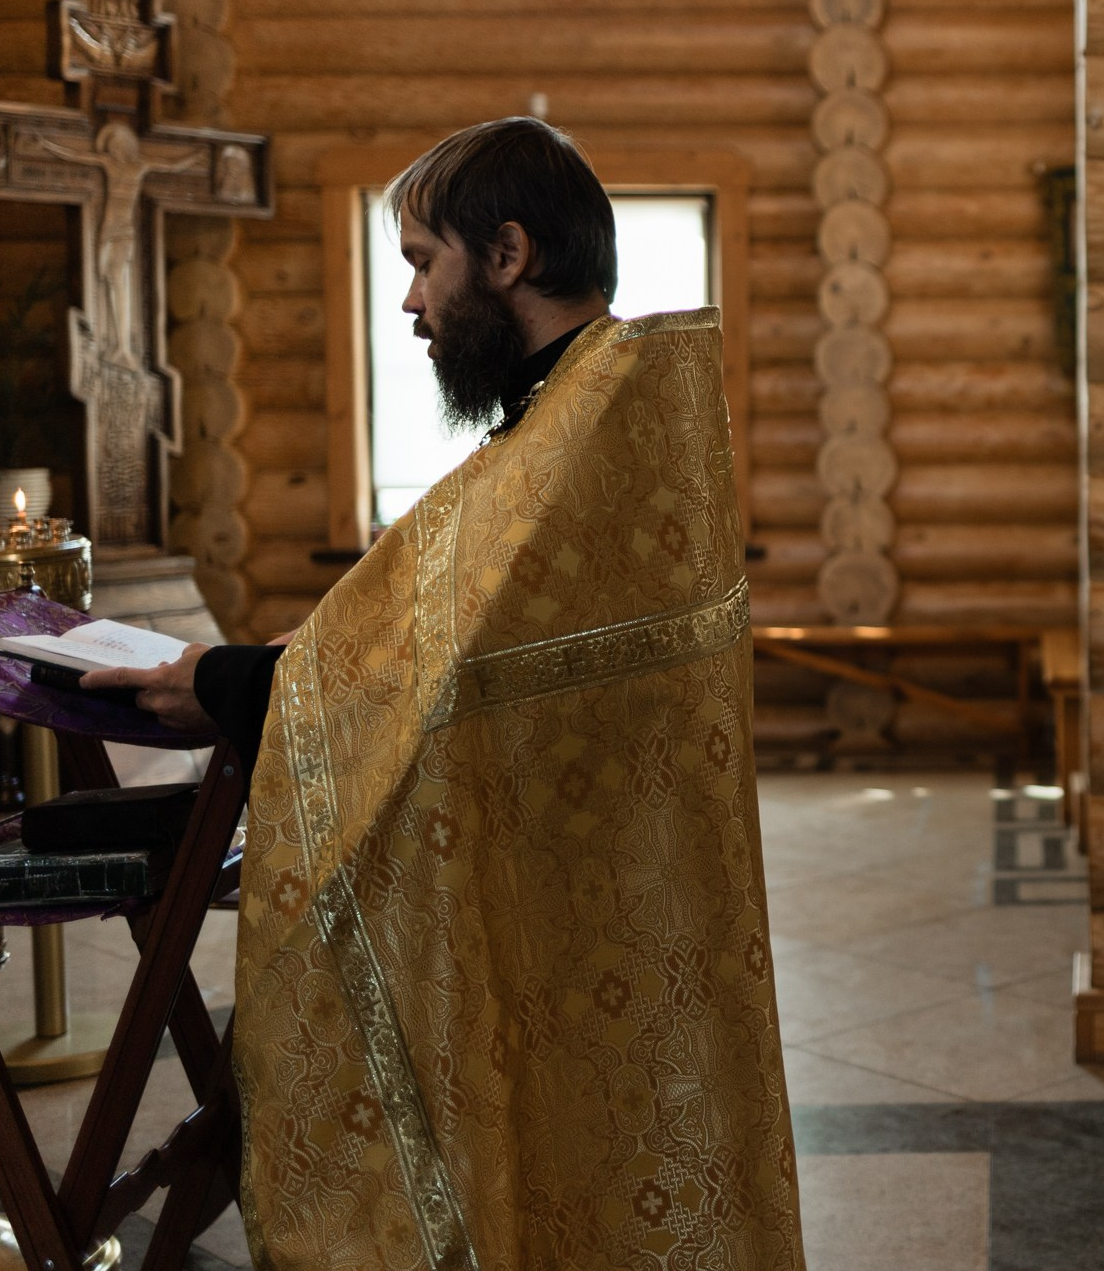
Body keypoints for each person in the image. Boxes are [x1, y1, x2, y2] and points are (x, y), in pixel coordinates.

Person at [86, 117, 805, 1270]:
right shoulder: (580, 410)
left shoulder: (594, 424)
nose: (410, 303)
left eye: (425, 261)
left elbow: (441, 660)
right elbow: (442, 634)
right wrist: (278, 662)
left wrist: (218, 680)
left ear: (508, 256)